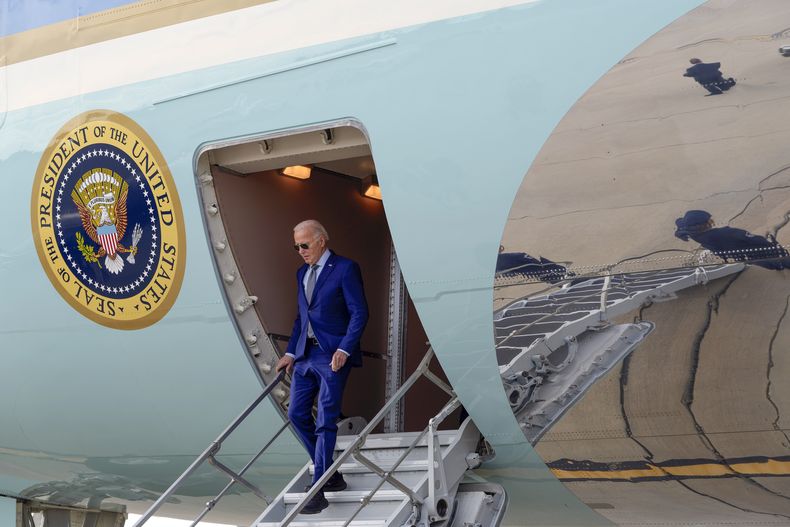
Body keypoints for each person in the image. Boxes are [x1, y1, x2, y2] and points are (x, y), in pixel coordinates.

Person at [276, 219, 368, 515]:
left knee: (326, 419)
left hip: (332, 356)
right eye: (296, 246)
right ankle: (330, 473)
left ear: (321, 241)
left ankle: (319, 488)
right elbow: (301, 318)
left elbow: (359, 312)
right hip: (305, 356)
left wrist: (344, 347)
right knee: (296, 414)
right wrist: (290, 352)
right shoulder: (301, 272)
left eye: (304, 245)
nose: (300, 251)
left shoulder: (345, 268)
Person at [674, 210, 790, 269]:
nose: (711, 220)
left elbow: (680, 223)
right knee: (781, 260)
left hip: (738, 255)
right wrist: (770, 243)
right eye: (709, 220)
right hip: (758, 252)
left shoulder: (694, 234)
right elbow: (755, 240)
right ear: (704, 224)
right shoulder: (728, 233)